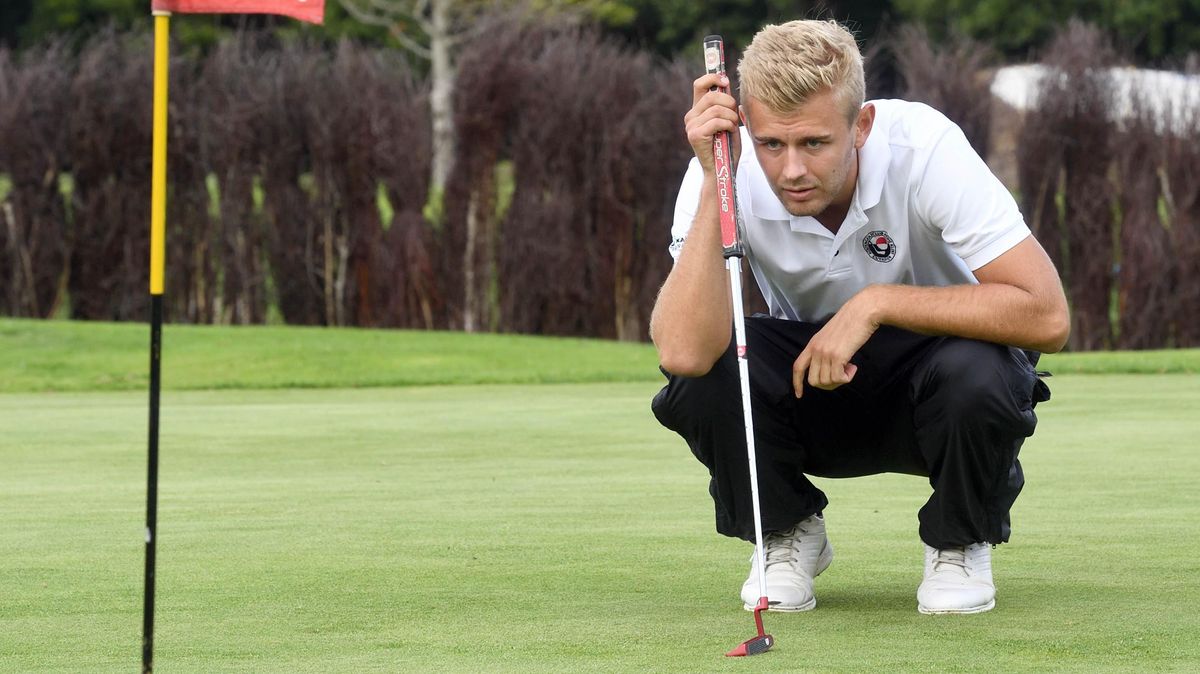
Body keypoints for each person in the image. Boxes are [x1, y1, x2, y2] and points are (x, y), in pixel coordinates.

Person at [649, 19, 1068, 615]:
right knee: (709, 373)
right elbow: (683, 353)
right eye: (772, 144)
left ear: (861, 125)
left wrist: (875, 304)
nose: (791, 170)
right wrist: (716, 183)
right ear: (746, 125)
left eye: (814, 143)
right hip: (811, 385)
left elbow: (1047, 315)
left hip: (941, 389)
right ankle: (786, 531)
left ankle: (959, 539)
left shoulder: (924, 146)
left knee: (983, 369)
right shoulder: (722, 164)